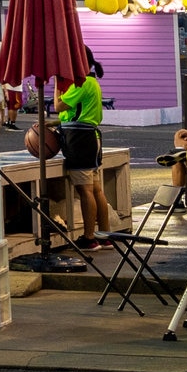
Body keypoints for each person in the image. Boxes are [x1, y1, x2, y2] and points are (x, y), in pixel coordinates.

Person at [56, 63, 110, 249]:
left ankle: (89, 238)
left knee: (85, 190)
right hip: (91, 137)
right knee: (95, 189)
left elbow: (58, 105)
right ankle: (104, 235)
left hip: (79, 140)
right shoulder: (92, 82)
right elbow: (74, 113)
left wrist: (57, 84)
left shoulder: (81, 83)